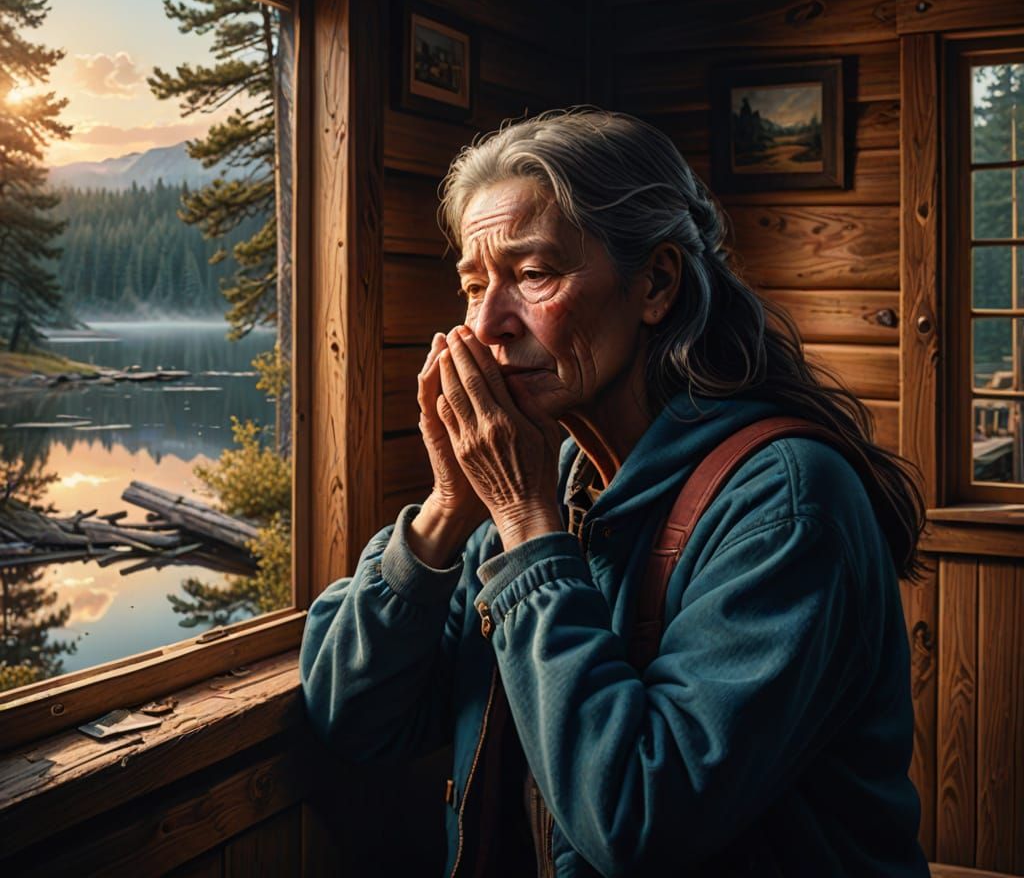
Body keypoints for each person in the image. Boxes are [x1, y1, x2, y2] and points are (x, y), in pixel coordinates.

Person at [299, 108, 930, 877]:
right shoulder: (551, 478)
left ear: (655, 283)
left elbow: (638, 820)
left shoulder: (786, 501)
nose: (490, 324)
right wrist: (446, 511)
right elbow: (352, 716)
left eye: (533, 275)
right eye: (473, 285)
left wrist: (527, 527)